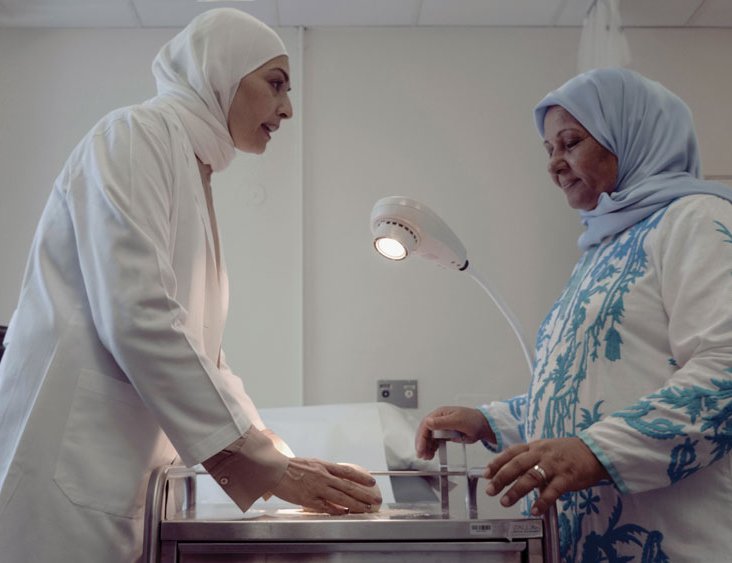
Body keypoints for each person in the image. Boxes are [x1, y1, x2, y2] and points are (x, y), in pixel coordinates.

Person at [0, 9, 380, 563]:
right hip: (63, 483)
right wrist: (272, 468)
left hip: (112, 483)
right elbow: (138, 317)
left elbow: (204, 356)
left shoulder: (190, 168)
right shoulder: (133, 136)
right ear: (220, 73)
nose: (288, 109)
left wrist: (274, 452)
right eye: (275, 84)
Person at [416, 68, 732, 562]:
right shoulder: (601, 250)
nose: (555, 165)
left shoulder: (697, 220)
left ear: (631, 137)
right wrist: (489, 421)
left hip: (673, 541)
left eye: (570, 143)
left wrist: (595, 452)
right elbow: (587, 397)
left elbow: (725, 372)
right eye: (549, 150)